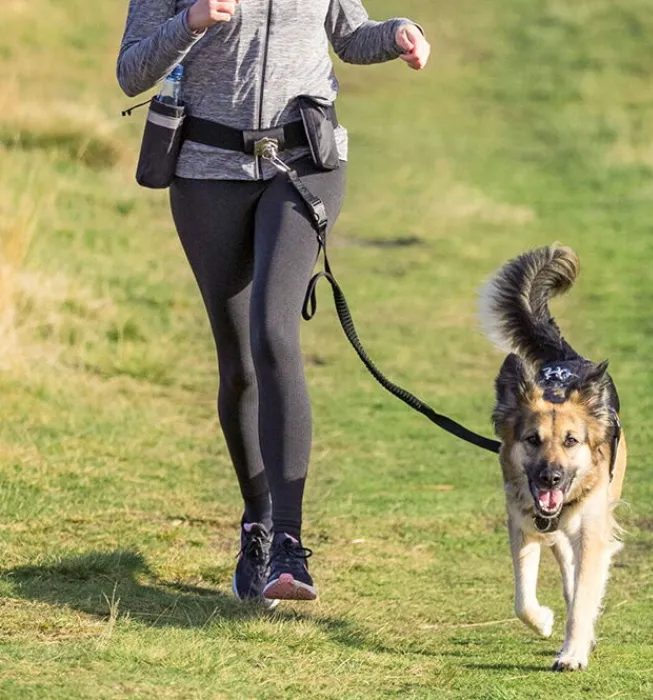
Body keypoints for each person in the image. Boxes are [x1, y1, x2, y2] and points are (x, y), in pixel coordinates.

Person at [117, 0, 430, 604]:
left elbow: (349, 34)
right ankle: (256, 522)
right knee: (237, 363)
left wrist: (398, 34)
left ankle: (289, 543)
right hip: (205, 170)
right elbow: (132, 71)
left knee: (274, 332)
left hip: (303, 163)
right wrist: (192, 22)